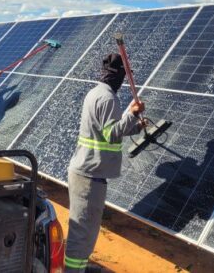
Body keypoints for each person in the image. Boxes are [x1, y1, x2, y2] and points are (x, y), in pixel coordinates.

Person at [65, 53, 146, 272]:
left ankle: (78, 267)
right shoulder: (109, 98)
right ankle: (73, 270)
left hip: (86, 171)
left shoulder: (96, 93)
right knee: (82, 233)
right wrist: (132, 114)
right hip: (89, 176)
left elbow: (104, 130)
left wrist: (136, 127)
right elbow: (111, 133)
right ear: (119, 76)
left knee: (85, 230)